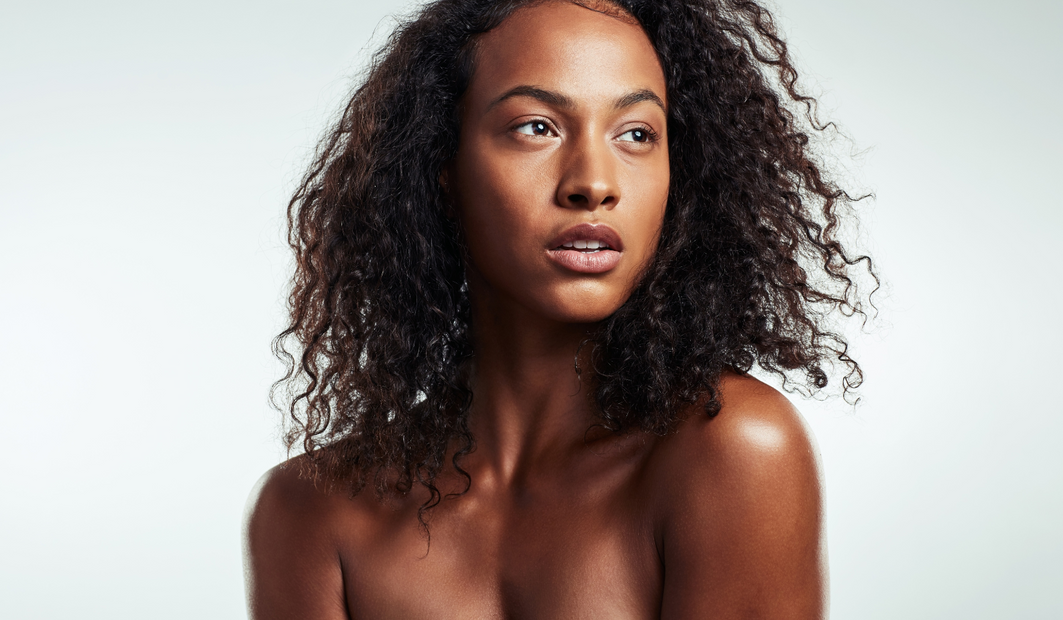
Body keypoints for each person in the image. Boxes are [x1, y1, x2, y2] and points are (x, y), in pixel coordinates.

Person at [244, 0, 874, 617]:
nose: (595, 182)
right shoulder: (310, 512)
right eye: (536, 127)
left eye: (636, 134)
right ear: (440, 165)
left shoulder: (730, 451)